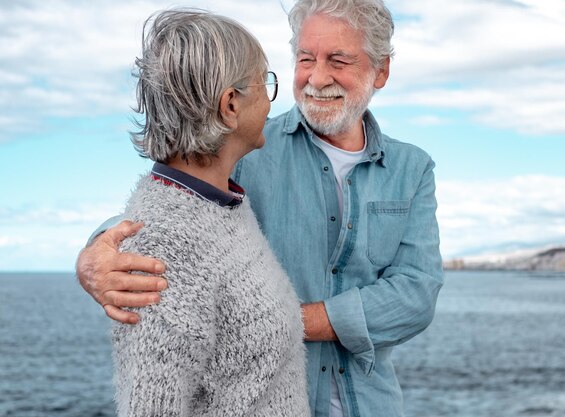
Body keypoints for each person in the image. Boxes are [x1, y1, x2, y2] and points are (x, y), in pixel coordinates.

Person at [77, 1, 443, 416]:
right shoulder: (245, 142)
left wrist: (264, 321)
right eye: (305, 59)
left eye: (338, 60)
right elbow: (172, 202)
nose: (316, 78)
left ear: (381, 71)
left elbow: (416, 294)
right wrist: (95, 252)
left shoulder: (413, 168)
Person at [104, 9, 309, 417]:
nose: (272, 100)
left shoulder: (220, 201)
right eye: (265, 82)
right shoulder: (166, 247)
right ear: (230, 104)